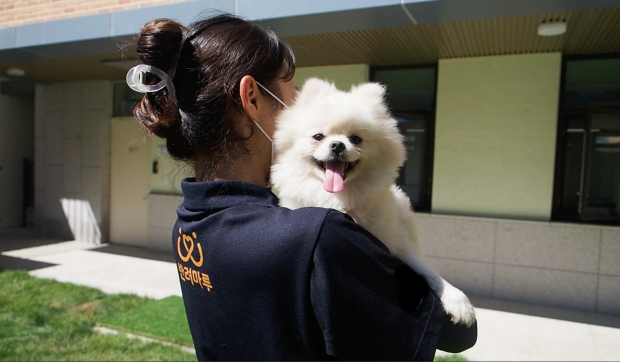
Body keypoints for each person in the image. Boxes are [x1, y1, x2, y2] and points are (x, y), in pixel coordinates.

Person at [127, 12, 477, 361]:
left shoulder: (188, 222)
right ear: (251, 98)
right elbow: (456, 332)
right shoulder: (318, 235)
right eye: (292, 95)